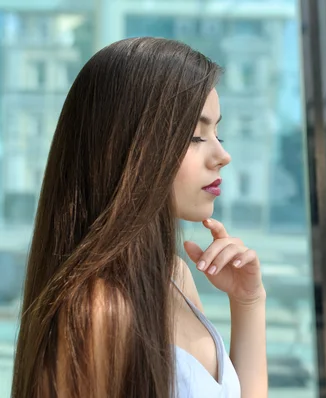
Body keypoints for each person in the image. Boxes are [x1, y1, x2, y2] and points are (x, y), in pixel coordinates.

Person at [10, 37, 267, 398]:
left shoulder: (174, 276)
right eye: (196, 136)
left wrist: (248, 302)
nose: (222, 155)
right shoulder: (100, 311)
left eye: (217, 132)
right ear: (129, 146)